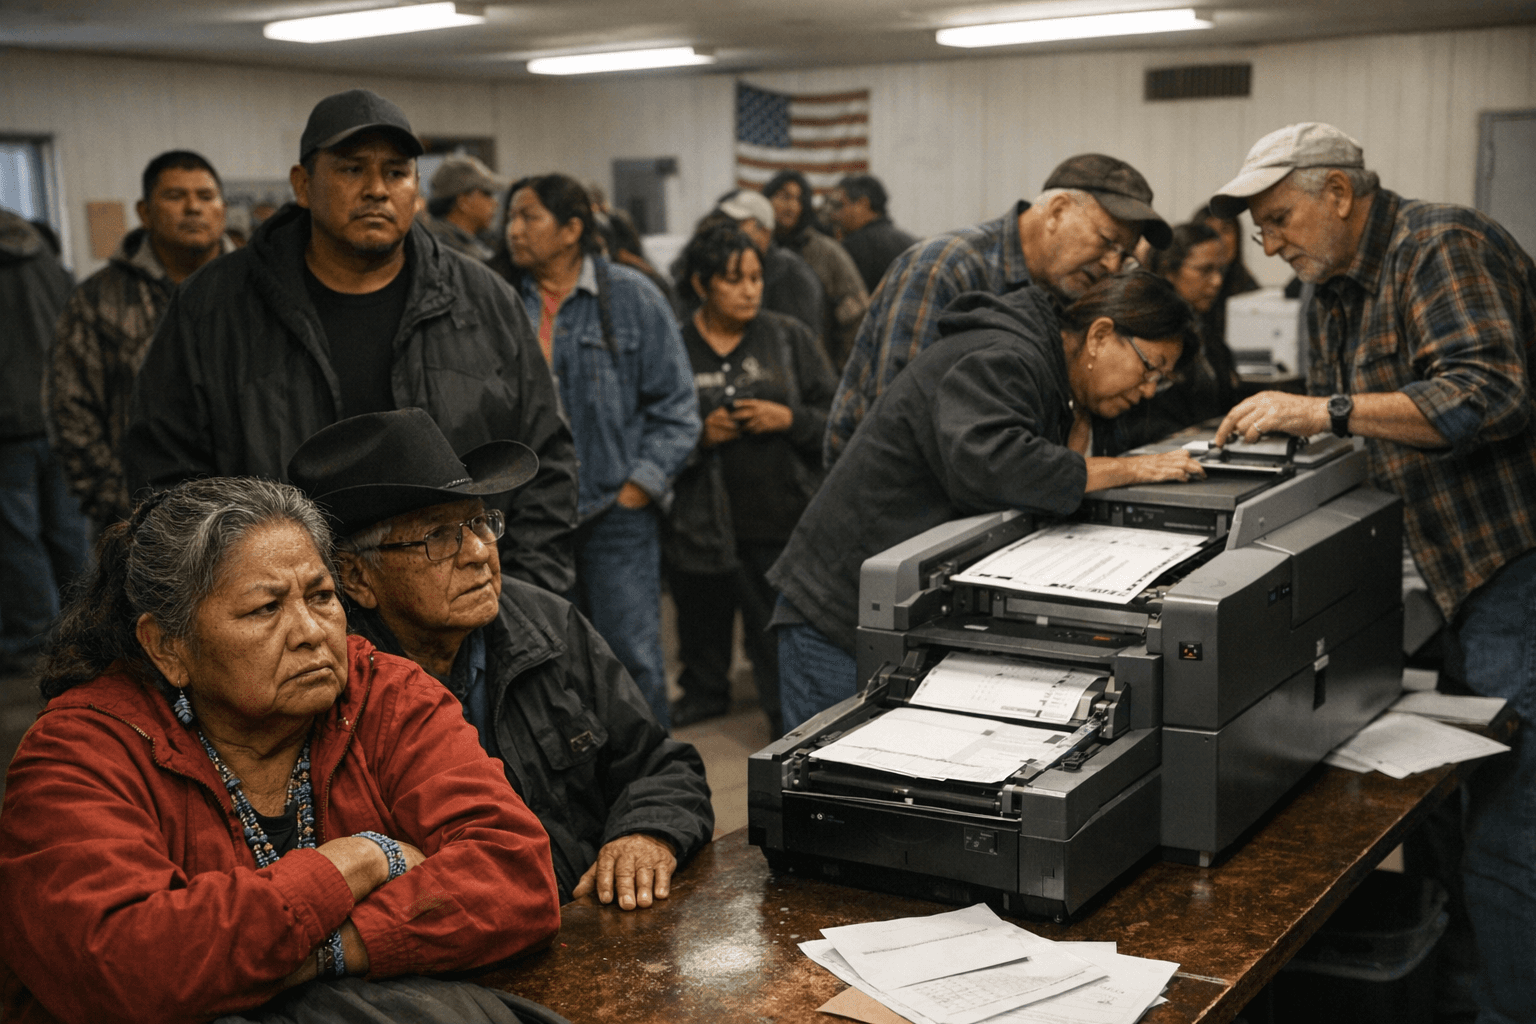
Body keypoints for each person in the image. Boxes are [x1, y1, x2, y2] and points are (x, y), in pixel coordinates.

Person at [0, 477, 560, 1024]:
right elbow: (128, 965)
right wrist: (359, 858)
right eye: (266, 609)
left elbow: (516, 877)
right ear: (168, 647)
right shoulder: (80, 751)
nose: (311, 632)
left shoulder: (385, 694)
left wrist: (325, 952)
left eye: (320, 597)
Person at [1208, 122, 1536, 1024]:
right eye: (1259, 231)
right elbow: (1355, 436)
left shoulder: (1440, 243)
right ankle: (1453, 988)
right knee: (1439, 802)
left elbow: (1487, 393)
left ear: (1341, 195)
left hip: (1513, 561)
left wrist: (1323, 409)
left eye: (1280, 219)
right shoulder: (1330, 289)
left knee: (1513, 822)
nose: (1270, 243)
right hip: (1443, 567)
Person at [122, 89, 579, 596]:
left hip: (462, 608)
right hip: (286, 617)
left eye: (396, 172)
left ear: (416, 187)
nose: (377, 190)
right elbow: (164, 477)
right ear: (302, 184)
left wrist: (526, 590)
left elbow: (544, 457)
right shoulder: (212, 308)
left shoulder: (484, 301)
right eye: (351, 169)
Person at [287, 409, 714, 910]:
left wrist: (645, 833)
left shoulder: (544, 622)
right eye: (439, 537)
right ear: (357, 578)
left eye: (478, 523)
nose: (478, 552)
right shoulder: (337, 689)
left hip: (588, 924)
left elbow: (661, 765)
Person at [769, 272, 1206, 730]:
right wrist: (1133, 468)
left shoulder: (1060, 380)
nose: (1149, 389)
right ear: (1100, 335)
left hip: (900, 604)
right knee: (831, 769)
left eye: (1163, 380)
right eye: (1150, 367)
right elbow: (998, 464)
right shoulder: (1003, 357)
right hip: (837, 608)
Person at [489, 173, 699, 727]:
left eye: (528, 216)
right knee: (542, 656)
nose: (513, 230)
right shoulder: (500, 298)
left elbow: (678, 408)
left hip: (614, 513)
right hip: (528, 516)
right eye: (510, 217)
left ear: (572, 229)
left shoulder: (632, 297)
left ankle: (650, 783)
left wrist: (639, 487)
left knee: (631, 659)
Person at [824, 153, 1173, 465]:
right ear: (1057, 211)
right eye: (1108, 242)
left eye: (1124, 255)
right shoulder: (945, 268)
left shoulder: (1067, 291)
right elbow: (899, 414)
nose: (1112, 265)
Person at [666, 224, 838, 736]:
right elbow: (650, 425)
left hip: (778, 517)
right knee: (701, 623)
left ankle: (785, 718)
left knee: (775, 634)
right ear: (701, 284)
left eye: (756, 278)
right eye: (733, 279)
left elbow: (837, 418)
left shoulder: (788, 337)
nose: (749, 290)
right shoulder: (676, 344)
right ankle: (705, 693)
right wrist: (699, 435)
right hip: (699, 518)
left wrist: (789, 419)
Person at [47, 150, 233, 533]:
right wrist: (122, 505)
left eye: (206, 196)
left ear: (223, 209)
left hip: (254, 512)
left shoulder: (255, 289)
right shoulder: (100, 298)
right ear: (145, 212)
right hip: (139, 519)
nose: (193, 208)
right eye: (175, 196)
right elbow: (70, 409)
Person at [0, 208, 88, 673]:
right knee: (68, 531)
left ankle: (30, 640)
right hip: (59, 416)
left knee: (16, 538)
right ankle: (87, 630)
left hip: (8, 426)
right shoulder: (47, 263)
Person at [1101, 221, 1239, 452]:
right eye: (1205, 270)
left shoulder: (1204, 328)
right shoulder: (1143, 331)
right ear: (1169, 271)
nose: (1217, 281)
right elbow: (1137, 420)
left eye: (1221, 271)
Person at [762, 171, 870, 370]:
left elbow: (857, 317)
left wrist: (840, 372)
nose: (792, 206)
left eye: (799, 199)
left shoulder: (826, 253)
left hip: (816, 371)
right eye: (785, 197)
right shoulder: (756, 250)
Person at [1191, 202, 1262, 360]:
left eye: (1226, 230)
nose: (1219, 239)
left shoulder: (1251, 292)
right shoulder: (1184, 290)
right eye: (1210, 231)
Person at [828, 174, 919, 296]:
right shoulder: (911, 242)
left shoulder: (855, 246)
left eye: (840, 206)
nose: (835, 215)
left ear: (862, 203)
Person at [423, 153, 506, 261]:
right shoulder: (448, 252)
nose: (495, 203)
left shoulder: (436, 240)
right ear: (464, 202)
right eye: (487, 193)